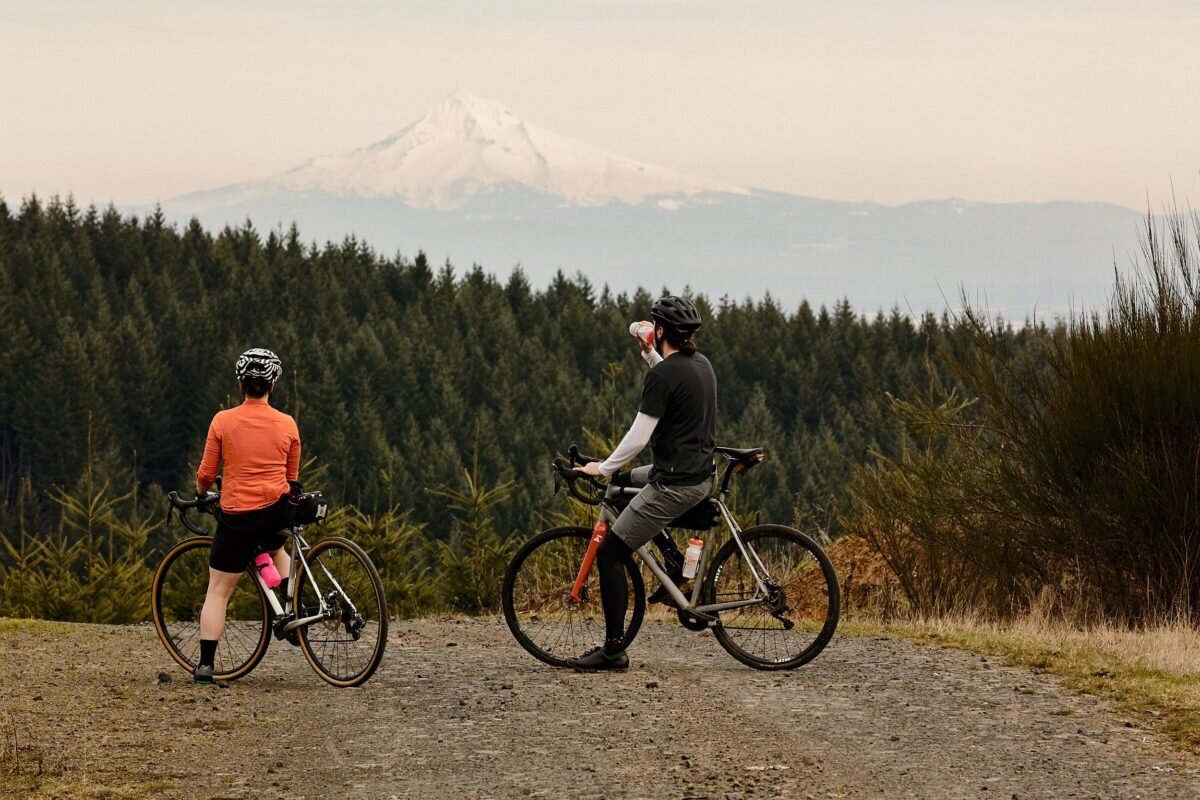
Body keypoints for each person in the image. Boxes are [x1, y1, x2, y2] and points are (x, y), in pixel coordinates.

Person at [569, 296, 718, 671]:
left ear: (663, 330)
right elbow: (671, 381)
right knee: (624, 483)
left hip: (674, 483)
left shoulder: (664, 375)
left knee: (611, 553)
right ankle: (672, 560)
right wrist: (649, 350)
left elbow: (637, 439)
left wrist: (601, 468)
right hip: (697, 472)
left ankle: (614, 649)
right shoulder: (699, 365)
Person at [193, 348, 301, 684]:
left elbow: (208, 474)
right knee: (276, 547)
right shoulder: (287, 423)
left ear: (241, 383)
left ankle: (206, 666)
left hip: (238, 514)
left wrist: (199, 496)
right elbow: (292, 478)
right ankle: (288, 610)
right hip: (276, 512)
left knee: (219, 590)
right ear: (272, 385)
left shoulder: (223, 421)